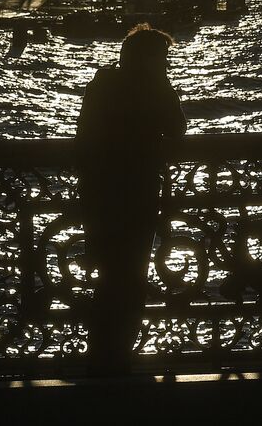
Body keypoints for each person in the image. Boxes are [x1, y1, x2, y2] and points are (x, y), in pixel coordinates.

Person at [76, 23, 187, 375]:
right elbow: (178, 129)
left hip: (99, 193)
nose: (166, 65)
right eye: (163, 60)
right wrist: (164, 85)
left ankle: (100, 356)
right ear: (152, 60)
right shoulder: (153, 88)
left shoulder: (102, 85)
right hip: (137, 193)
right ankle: (119, 355)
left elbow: (83, 136)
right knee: (131, 275)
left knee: (108, 275)